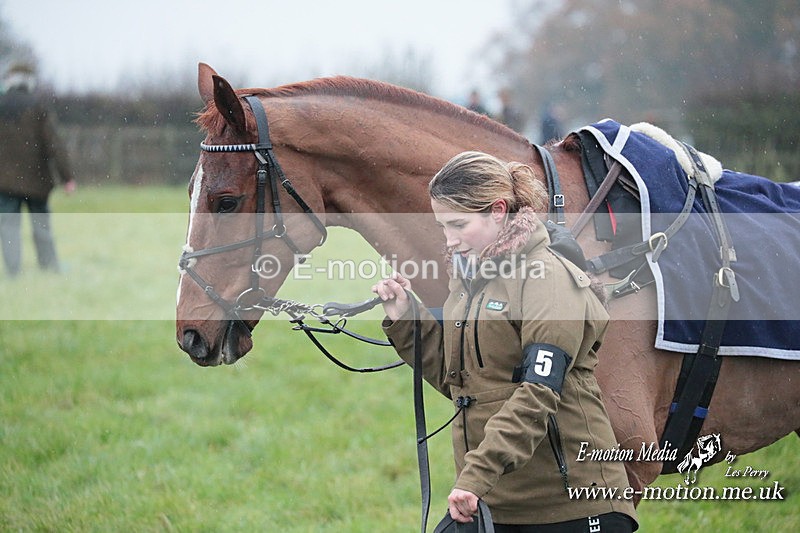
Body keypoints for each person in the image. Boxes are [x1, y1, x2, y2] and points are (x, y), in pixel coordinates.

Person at [374, 151, 638, 531]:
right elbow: (463, 383)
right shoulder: (469, 282)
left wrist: (475, 476)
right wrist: (406, 320)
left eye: (458, 225)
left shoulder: (546, 277)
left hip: (574, 506)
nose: (449, 241)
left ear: (498, 210)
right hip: (492, 499)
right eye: (442, 227)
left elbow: (539, 392)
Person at [0, 62, 76, 277]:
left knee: (8, 228)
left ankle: (13, 271)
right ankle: (49, 266)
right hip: (36, 181)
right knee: (41, 226)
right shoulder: (38, 107)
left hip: (4, 183)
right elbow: (55, 145)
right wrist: (67, 178)